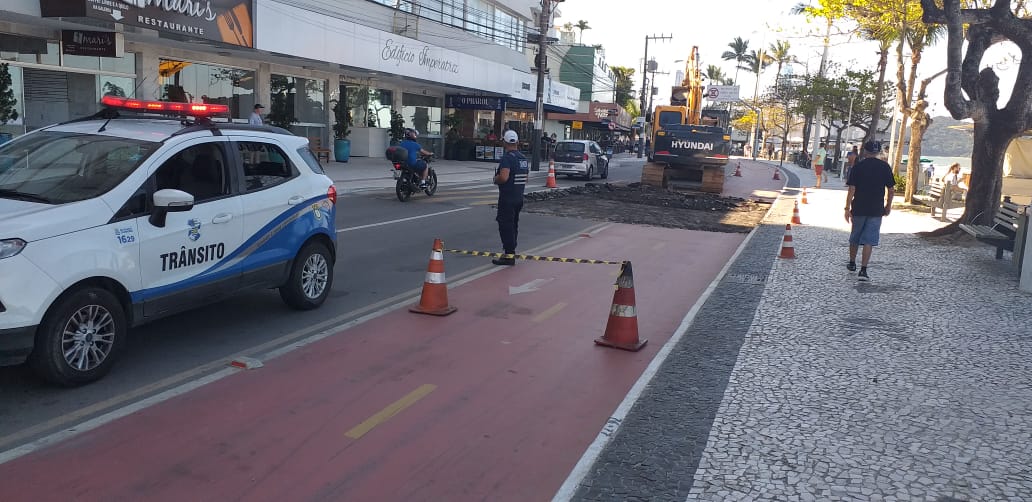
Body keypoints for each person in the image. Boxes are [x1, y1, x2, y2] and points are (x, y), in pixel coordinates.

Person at [844, 141, 896, 282]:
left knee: (855, 236)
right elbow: (891, 190)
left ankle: (852, 262)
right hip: (876, 209)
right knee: (869, 239)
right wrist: (888, 206)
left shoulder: (858, 167)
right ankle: (863, 270)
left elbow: (852, 189)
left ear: (865, 152)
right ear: (878, 152)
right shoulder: (885, 167)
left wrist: (847, 208)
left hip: (859, 207)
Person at [491, 130, 529, 266]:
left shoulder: (507, 158)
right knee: (514, 224)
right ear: (517, 142)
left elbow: (504, 177)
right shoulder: (523, 158)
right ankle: (511, 251)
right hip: (518, 197)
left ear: (504, 143)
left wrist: (495, 179)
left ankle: (508, 254)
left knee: (505, 225)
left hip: (507, 197)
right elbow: (526, 178)